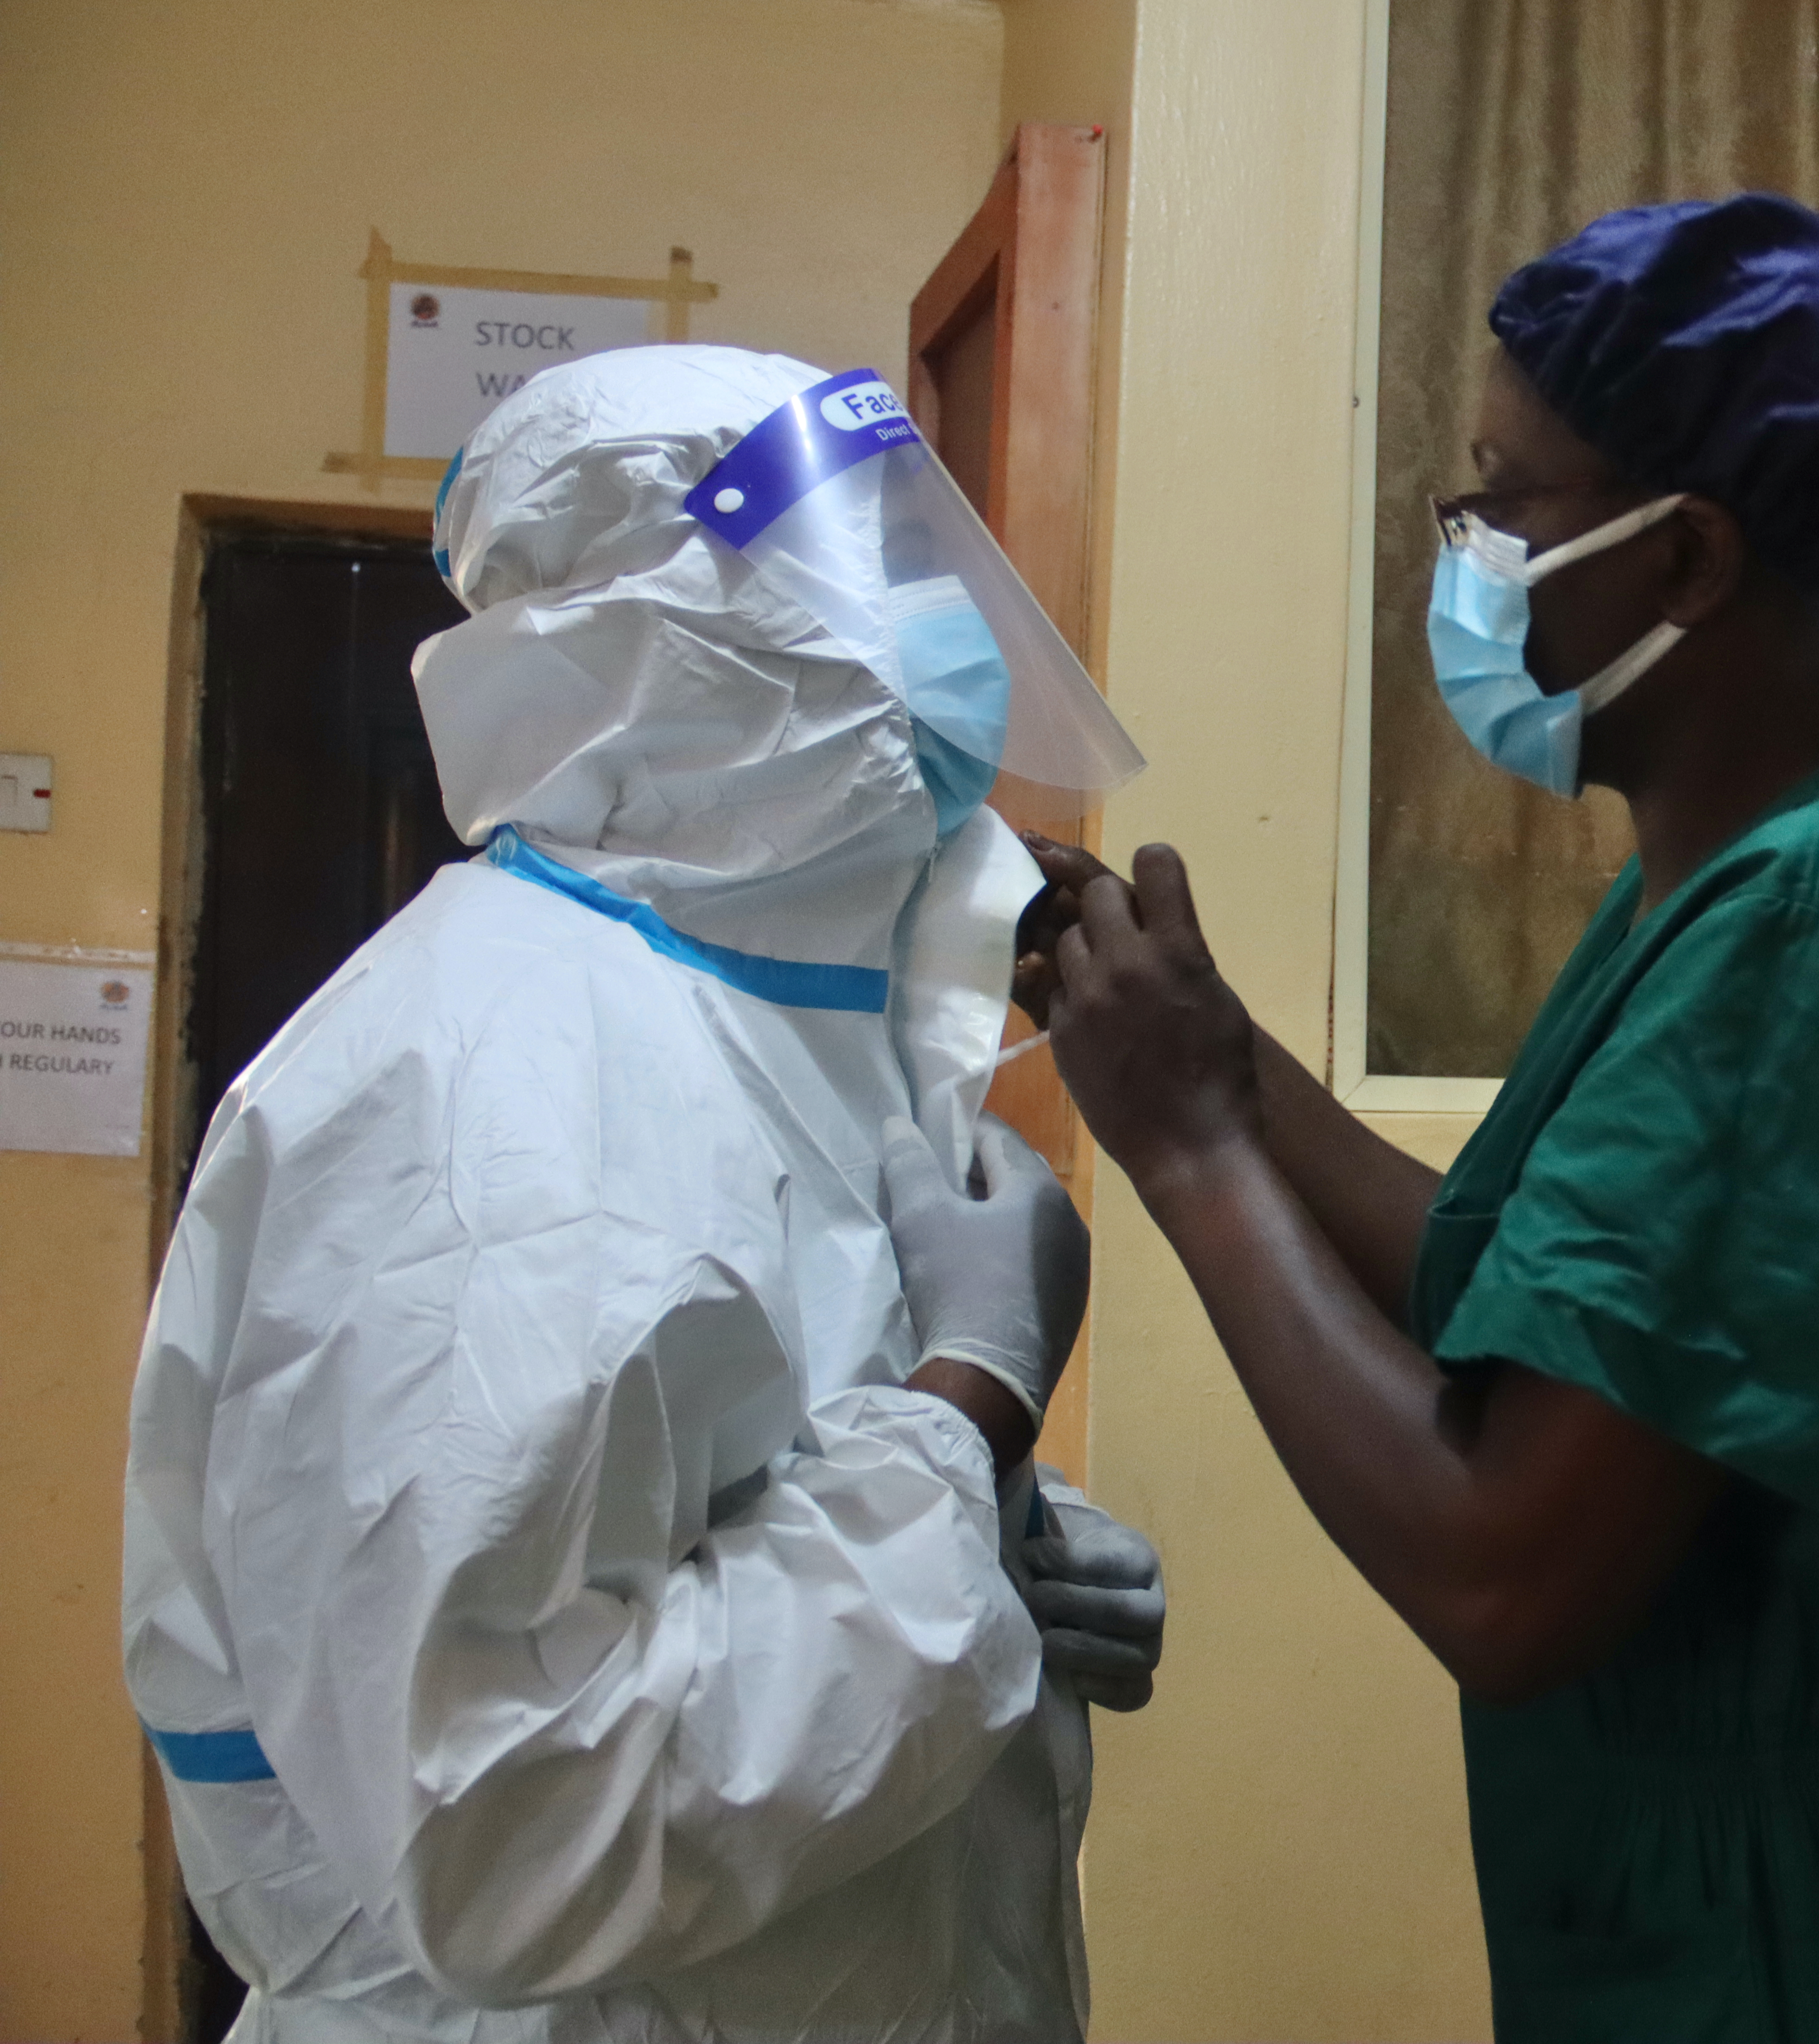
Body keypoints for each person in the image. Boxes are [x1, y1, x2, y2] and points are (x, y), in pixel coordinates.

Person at [1015, 194, 1819, 2042]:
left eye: (1506, 494)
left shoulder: (1814, 934)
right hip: (1707, 1921)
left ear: (1688, 556)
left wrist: (1189, 1155)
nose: (1462, 552)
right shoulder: (1717, 888)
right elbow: (1523, 1305)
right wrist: (1217, 1058)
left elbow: (1505, 1570)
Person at [123, 345, 1166, 2042]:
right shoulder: (485, 1087)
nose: (934, 614)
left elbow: (723, 1498)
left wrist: (1001, 1552)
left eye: (920, 545)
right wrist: (967, 1414)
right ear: (651, 614)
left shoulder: (762, 1013)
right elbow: (513, 1824)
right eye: (860, 554)